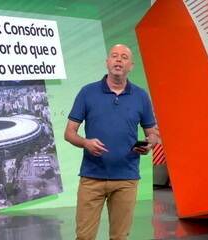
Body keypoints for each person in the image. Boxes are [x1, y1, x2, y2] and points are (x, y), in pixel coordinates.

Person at [64, 44, 159, 240]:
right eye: (114, 56)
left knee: (120, 237)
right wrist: (85, 143)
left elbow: (153, 134)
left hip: (126, 179)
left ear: (130, 65)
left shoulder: (141, 96)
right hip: (92, 178)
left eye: (124, 57)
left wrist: (150, 143)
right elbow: (69, 133)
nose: (118, 60)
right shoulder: (87, 92)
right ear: (107, 62)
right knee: (84, 237)